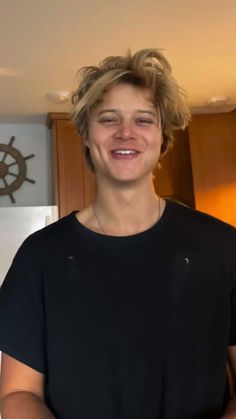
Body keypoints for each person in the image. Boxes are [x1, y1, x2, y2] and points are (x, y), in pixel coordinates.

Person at [0, 48, 235, 419]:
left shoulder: (223, 247)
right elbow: (17, 393)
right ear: (87, 136)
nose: (126, 132)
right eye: (108, 119)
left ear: (162, 138)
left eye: (144, 120)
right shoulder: (39, 257)